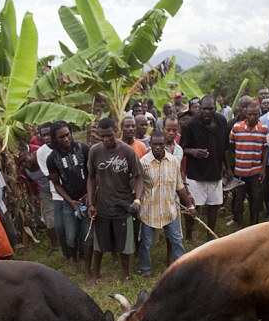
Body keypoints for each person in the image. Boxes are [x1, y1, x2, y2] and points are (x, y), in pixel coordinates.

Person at [86, 117, 143, 281]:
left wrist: (137, 201)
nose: (106, 140)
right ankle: (96, 274)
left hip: (122, 205)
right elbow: (90, 178)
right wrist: (90, 203)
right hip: (102, 205)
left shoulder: (127, 152)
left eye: (109, 135)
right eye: (102, 136)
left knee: (124, 245)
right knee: (100, 244)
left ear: (116, 132)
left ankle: (126, 275)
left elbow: (139, 178)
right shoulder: (95, 151)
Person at [138, 132, 195, 277]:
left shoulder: (173, 161)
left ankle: (182, 269)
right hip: (149, 211)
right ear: (150, 144)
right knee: (146, 244)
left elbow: (179, 186)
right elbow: (138, 185)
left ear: (165, 144)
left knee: (176, 241)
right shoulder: (143, 163)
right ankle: (145, 270)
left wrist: (190, 206)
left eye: (160, 144)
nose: (157, 147)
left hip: (169, 209)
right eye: (154, 144)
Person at [45, 120, 93, 277]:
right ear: (55, 139)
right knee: (71, 236)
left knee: (87, 235)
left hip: (86, 199)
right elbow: (56, 184)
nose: (66, 139)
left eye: (67, 135)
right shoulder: (52, 159)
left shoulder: (82, 149)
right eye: (61, 137)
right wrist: (70, 201)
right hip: (68, 203)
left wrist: (89, 194)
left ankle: (87, 269)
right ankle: (73, 259)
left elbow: (93, 175)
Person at [181, 95, 230, 242]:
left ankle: (210, 235)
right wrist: (193, 151)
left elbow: (224, 147)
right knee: (193, 206)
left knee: (214, 206)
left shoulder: (222, 122)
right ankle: (189, 234)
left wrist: (227, 167)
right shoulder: (190, 125)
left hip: (215, 172)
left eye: (210, 109)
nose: (207, 112)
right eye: (203, 109)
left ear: (215, 108)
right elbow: (182, 148)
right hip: (196, 173)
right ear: (199, 109)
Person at [228, 102, 268, 227]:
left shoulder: (264, 129)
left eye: (255, 114)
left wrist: (263, 167)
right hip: (239, 170)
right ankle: (240, 225)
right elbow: (231, 145)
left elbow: (266, 148)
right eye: (250, 114)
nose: (252, 117)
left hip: (255, 171)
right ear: (246, 114)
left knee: (256, 198)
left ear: (259, 114)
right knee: (239, 200)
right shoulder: (236, 127)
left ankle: (254, 223)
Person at [34, 123, 63, 253]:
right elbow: (48, 175)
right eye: (43, 135)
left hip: (69, 188)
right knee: (51, 220)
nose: (46, 137)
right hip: (49, 189)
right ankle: (55, 246)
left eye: (48, 134)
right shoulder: (41, 152)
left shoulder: (63, 145)